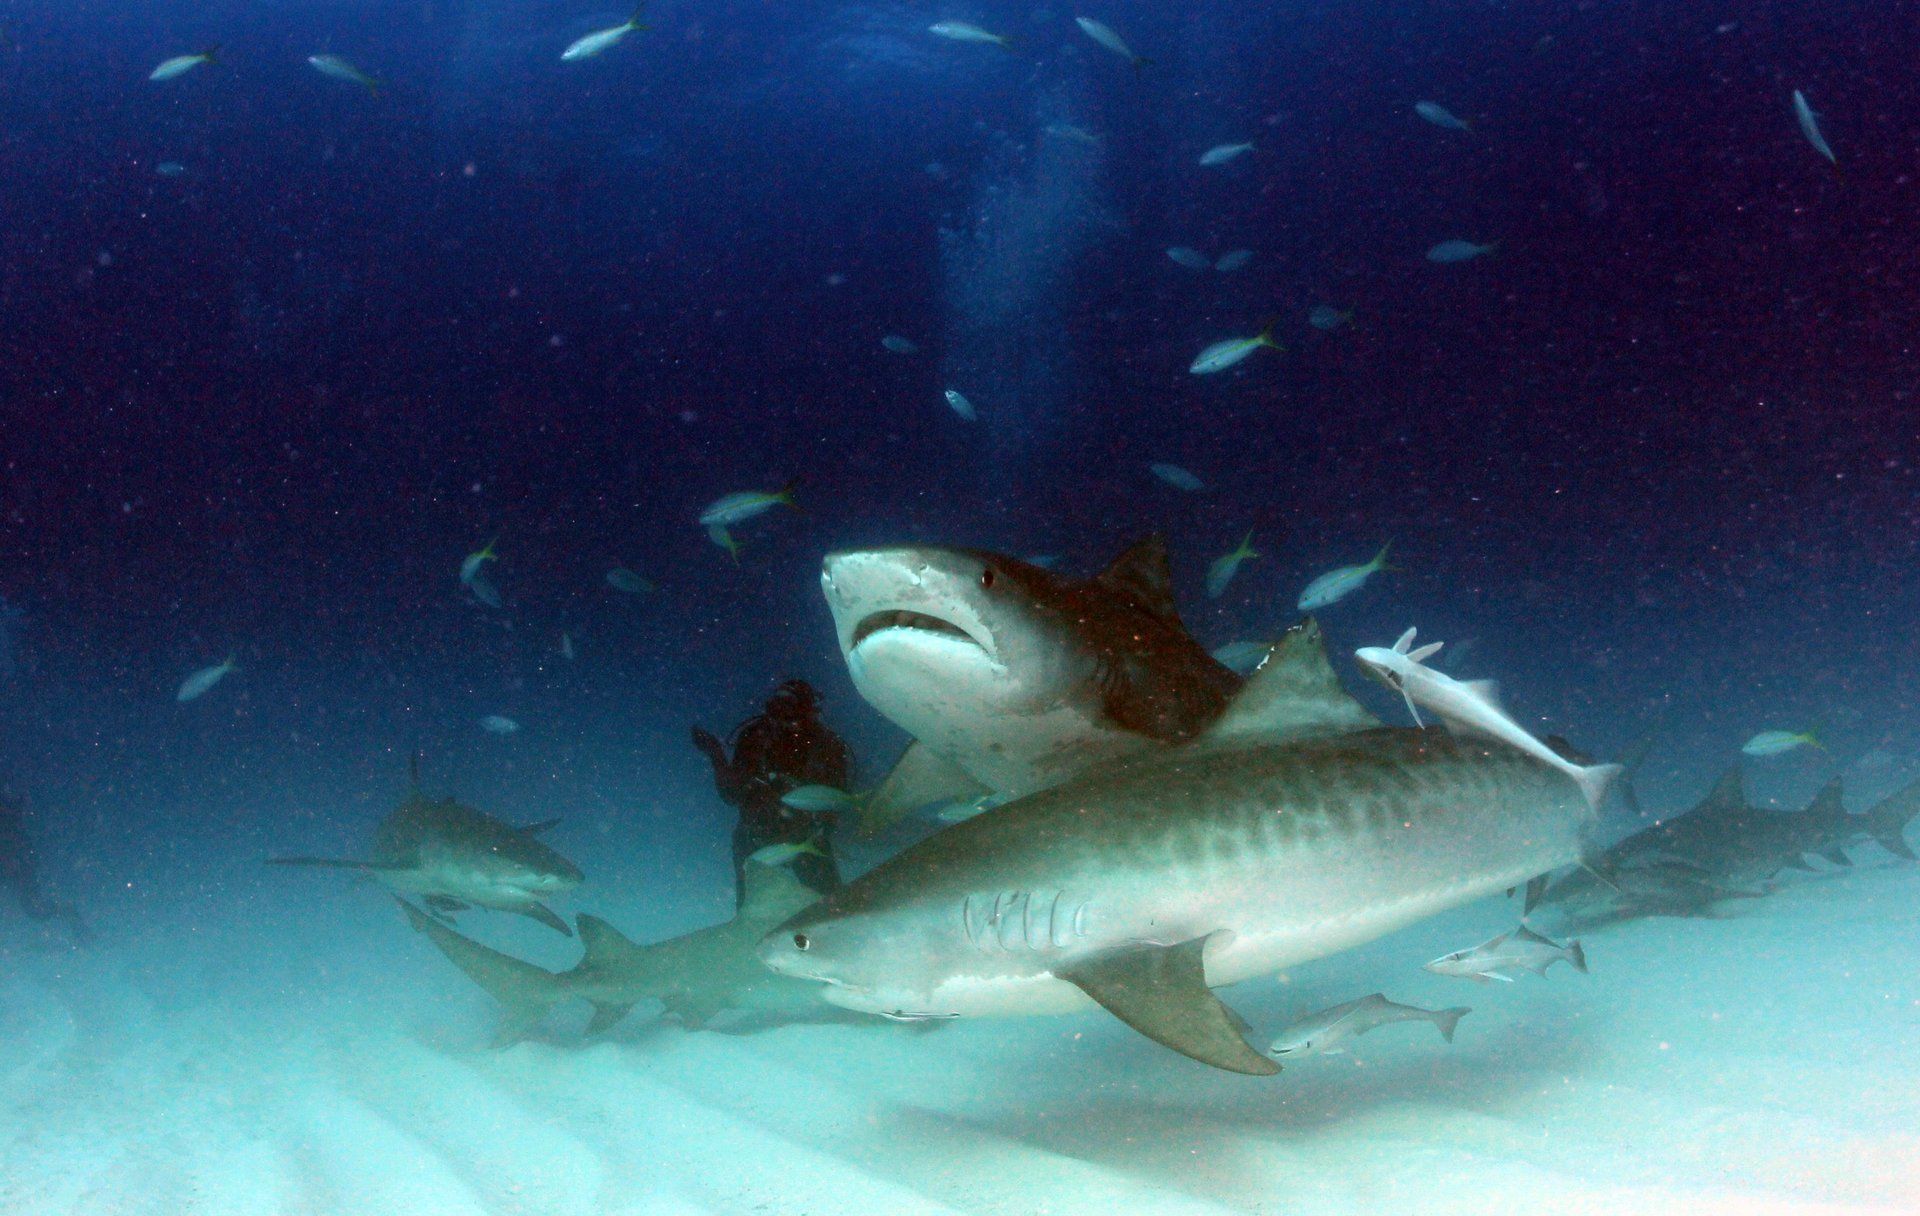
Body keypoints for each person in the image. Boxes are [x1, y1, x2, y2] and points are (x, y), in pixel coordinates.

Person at [692, 680, 851, 909]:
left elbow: (836, 804)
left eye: (791, 707)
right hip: (755, 837)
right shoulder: (755, 737)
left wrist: (815, 826)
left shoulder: (826, 745)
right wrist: (715, 753)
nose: (784, 716)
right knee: (753, 918)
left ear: (809, 711)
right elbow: (731, 795)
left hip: (806, 839)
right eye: (778, 707)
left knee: (836, 910)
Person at [0, 793, 91, 946]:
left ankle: (69, 913)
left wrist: (19, 863)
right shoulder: (9, 822)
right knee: (34, 908)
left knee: (35, 909)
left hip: (20, 865)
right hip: (16, 863)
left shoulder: (9, 825)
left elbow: (16, 842)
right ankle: (67, 912)